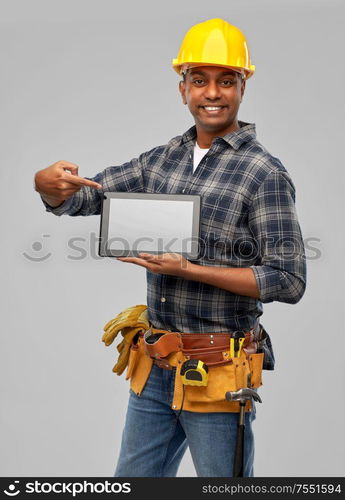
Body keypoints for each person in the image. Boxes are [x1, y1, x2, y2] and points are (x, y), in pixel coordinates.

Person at [34, 18, 306, 477]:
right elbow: (89, 196)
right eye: (199, 81)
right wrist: (47, 187)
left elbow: (289, 280)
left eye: (226, 81)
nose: (212, 93)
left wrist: (190, 269)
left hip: (219, 372)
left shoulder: (264, 174)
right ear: (183, 89)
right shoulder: (162, 159)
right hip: (155, 367)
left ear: (243, 87)